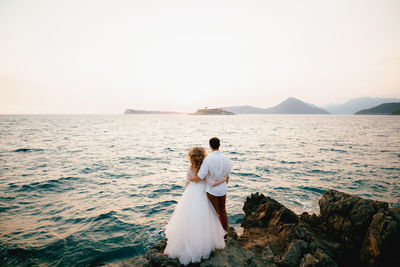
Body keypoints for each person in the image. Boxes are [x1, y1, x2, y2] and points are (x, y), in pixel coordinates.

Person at [164, 147, 226, 265]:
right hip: (203, 192)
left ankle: (187, 242)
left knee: (188, 218)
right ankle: (203, 243)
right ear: (203, 156)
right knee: (204, 217)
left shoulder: (190, 167)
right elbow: (209, 181)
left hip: (192, 191)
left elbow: (188, 181)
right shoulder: (206, 167)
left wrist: (187, 194)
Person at [190, 137, 231, 235]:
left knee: (213, 213)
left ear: (210, 146)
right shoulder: (226, 158)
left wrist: (191, 179)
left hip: (212, 191)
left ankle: (215, 235)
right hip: (223, 189)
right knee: (223, 211)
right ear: (219, 145)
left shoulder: (208, 159)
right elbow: (228, 176)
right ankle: (225, 233)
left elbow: (201, 176)